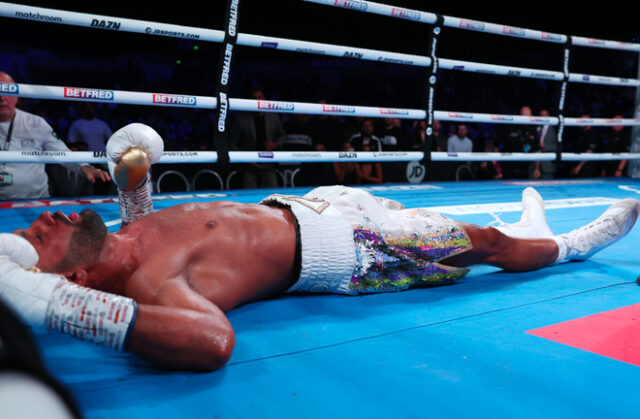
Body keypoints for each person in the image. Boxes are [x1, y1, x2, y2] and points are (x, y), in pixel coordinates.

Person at [1, 123, 638, 372]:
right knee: (487, 243)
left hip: (316, 206)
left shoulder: (124, 238)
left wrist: (129, 176)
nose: (46, 219)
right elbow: (212, 342)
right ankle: (572, 245)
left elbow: (141, 224)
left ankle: (537, 221)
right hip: (354, 253)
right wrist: (55, 307)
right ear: (74, 281)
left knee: (470, 228)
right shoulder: (149, 291)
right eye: (39, 237)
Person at [0, 72, 110, 199]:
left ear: (17, 96)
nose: (2, 98)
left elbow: (61, 151)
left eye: (7, 91)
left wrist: (84, 166)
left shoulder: (36, 123)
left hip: (35, 199)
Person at [229, 87, 287, 188]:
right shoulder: (241, 119)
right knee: (249, 195)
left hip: (268, 163)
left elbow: (283, 136)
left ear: (265, 99)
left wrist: (275, 144)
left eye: (260, 97)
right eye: (254, 98)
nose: (257, 100)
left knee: (272, 193)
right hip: (249, 165)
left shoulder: (273, 117)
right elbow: (232, 143)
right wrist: (246, 158)